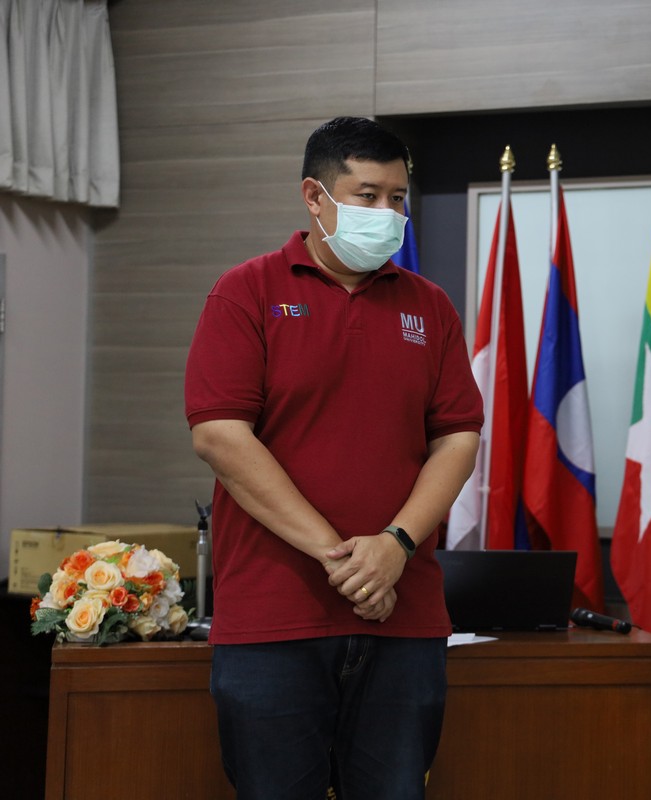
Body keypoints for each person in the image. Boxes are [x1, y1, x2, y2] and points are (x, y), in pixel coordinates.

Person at [184, 116, 483, 799]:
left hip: (403, 617)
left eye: (398, 198)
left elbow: (458, 438)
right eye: (367, 196)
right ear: (314, 197)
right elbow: (220, 436)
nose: (388, 213)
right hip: (273, 619)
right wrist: (345, 559)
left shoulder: (430, 307)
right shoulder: (247, 291)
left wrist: (396, 545)